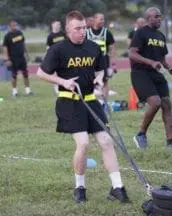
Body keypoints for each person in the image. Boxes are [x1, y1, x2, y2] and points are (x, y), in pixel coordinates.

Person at [36, 10, 129, 204]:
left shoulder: (93, 47)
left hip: (90, 100)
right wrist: (63, 81)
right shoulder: (58, 49)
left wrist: (99, 79)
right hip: (68, 101)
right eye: (78, 28)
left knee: (106, 141)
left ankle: (118, 188)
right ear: (68, 29)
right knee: (84, 143)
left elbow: (101, 69)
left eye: (84, 28)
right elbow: (41, 73)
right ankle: (79, 188)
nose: (82, 32)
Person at [129, 7, 172, 149]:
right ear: (149, 18)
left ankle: (170, 142)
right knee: (155, 103)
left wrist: (169, 67)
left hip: (156, 73)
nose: (159, 19)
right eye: (156, 16)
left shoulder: (161, 36)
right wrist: (150, 62)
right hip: (140, 73)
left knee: (167, 105)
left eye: (160, 16)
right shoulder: (140, 33)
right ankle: (141, 134)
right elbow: (132, 53)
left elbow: (162, 58)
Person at [86, 13, 116, 99]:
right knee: (89, 82)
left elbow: (112, 50)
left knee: (104, 82)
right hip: (90, 62)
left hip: (103, 62)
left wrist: (112, 66)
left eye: (103, 19)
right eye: (101, 19)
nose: (103, 21)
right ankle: (91, 101)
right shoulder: (87, 33)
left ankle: (104, 103)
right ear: (95, 19)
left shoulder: (107, 33)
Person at [2, 20, 33, 97]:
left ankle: (28, 90)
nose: (14, 27)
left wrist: (27, 54)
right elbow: (5, 48)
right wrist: (7, 59)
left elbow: (23, 43)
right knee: (14, 75)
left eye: (15, 25)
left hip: (21, 57)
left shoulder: (20, 33)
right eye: (13, 25)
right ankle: (14, 92)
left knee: (25, 73)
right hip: (13, 58)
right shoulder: (7, 36)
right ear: (9, 27)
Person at [46, 20, 66, 95]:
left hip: (63, 56)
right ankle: (56, 87)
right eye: (57, 24)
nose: (58, 26)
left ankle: (63, 86)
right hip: (55, 56)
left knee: (63, 71)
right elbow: (48, 47)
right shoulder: (50, 36)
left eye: (59, 24)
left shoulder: (63, 34)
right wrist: (49, 56)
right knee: (54, 73)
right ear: (53, 25)